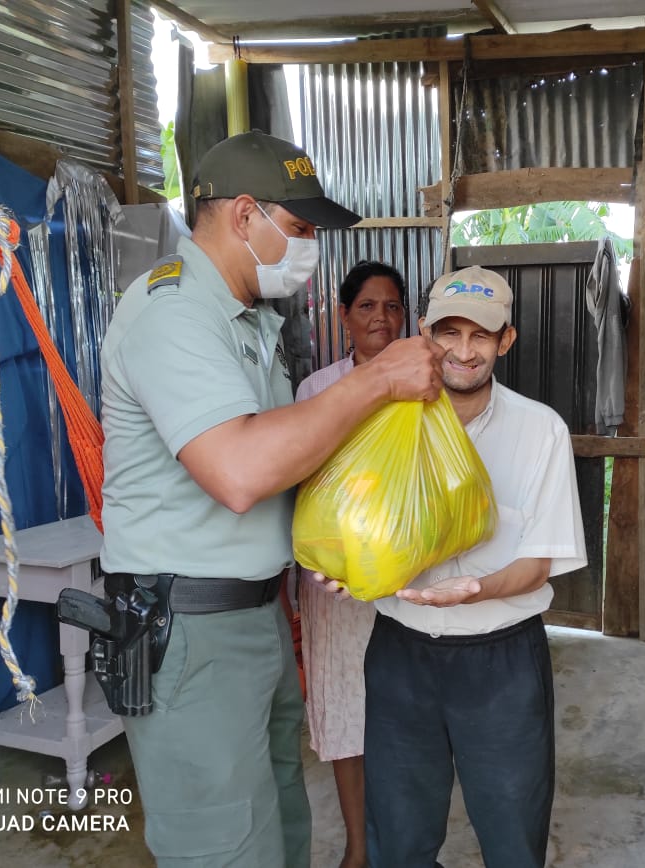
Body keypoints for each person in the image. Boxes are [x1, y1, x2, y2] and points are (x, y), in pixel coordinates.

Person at [98, 130, 443, 868]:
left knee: (280, 833)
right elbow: (240, 472)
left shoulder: (249, 318)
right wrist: (377, 380)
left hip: (255, 620)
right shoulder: (173, 313)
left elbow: (290, 458)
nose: (310, 246)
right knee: (225, 847)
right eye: (300, 229)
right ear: (245, 215)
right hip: (188, 632)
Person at [361, 265, 588, 868]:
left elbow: (538, 564)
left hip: (500, 662)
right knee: (398, 833)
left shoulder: (541, 431)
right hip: (400, 651)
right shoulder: (379, 421)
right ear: (423, 331)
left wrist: (475, 590)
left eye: (480, 336)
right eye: (449, 332)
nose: (463, 352)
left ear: (505, 340)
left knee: (513, 832)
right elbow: (349, 524)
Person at [296, 259, 408, 868]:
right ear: (344, 317)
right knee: (345, 712)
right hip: (336, 580)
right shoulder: (316, 391)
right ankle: (359, 850)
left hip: (409, 576)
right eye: (367, 306)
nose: (381, 318)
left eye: (392, 306)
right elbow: (306, 485)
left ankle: (402, 845)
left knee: (402, 715)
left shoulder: (427, 384)